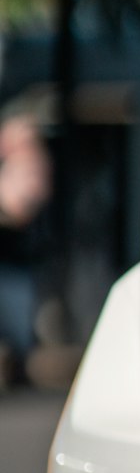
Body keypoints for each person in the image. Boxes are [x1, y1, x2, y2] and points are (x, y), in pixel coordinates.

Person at [0, 115, 52, 382]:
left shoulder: (31, 166)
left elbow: (20, 209)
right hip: (10, 262)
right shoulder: (12, 168)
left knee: (18, 329)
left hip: (16, 264)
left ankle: (18, 371)